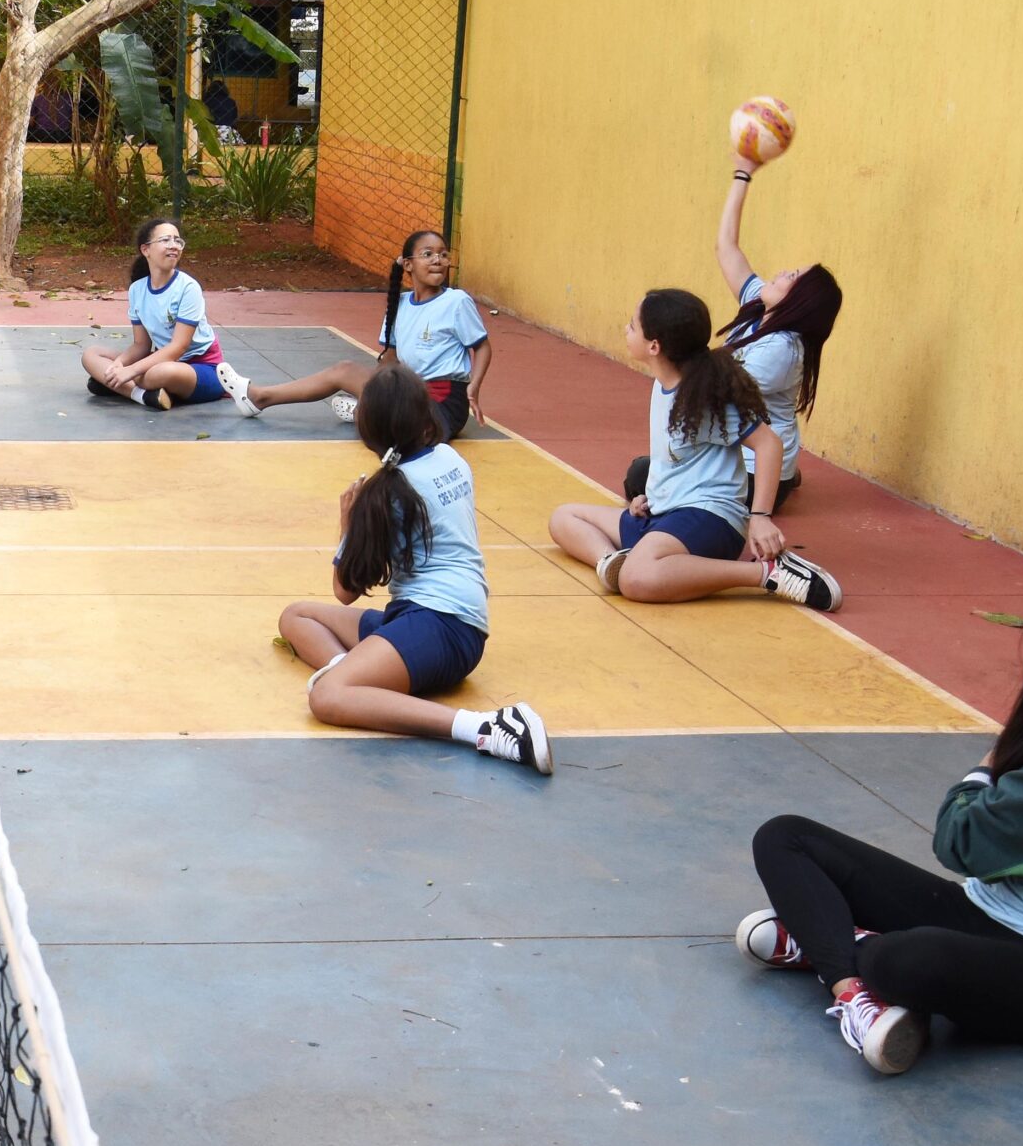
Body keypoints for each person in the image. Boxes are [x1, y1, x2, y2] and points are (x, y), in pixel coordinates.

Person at [739, 547, 1023, 1074]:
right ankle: (848, 982)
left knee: (905, 960)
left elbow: (958, 840)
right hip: (987, 916)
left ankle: (839, 956)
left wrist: (989, 763)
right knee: (785, 837)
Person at [276, 366, 550, 773]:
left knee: (326, 698)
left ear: (367, 430)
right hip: (453, 624)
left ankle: (486, 727)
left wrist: (347, 524)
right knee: (296, 617)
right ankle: (355, 677)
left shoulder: (385, 493)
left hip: (437, 626)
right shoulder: (449, 457)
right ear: (425, 415)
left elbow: (344, 590)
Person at [545, 288, 842, 609]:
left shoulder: (704, 398)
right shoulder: (664, 382)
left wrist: (760, 518)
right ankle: (611, 563)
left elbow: (769, 444)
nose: (625, 330)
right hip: (663, 515)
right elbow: (676, 461)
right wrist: (651, 497)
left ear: (654, 346)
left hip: (710, 519)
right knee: (564, 518)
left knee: (638, 580)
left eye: (632, 325)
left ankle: (765, 573)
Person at [624, 157, 846, 503]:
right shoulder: (760, 305)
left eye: (793, 277)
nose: (784, 271)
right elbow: (726, 248)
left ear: (801, 302)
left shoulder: (782, 350)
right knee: (655, 469)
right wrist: (743, 173)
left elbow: (713, 387)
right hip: (726, 449)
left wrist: (665, 350)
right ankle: (789, 471)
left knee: (641, 475)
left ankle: (782, 481)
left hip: (754, 466)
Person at [224, 230, 489, 437]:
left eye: (443, 255)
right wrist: (377, 388)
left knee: (407, 433)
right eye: (428, 254)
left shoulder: (456, 302)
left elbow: (483, 347)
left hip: (442, 400)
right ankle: (259, 397)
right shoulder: (401, 304)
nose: (438, 261)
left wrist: (473, 388)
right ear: (408, 265)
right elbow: (390, 361)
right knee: (345, 370)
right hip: (408, 392)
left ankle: (363, 409)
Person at [80, 218, 240, 410]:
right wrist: (119, 364)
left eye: (178, 241)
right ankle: (143, 396)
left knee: (161, 373)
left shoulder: (188, 287)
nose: (174, 246)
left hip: (202, 369)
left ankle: (116, 384)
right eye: (165, 240)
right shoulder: (137, 290)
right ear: (145, 249)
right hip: (161, 360)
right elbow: (141, 345)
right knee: (91, 354)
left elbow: (178, 347)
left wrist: (128, 371)